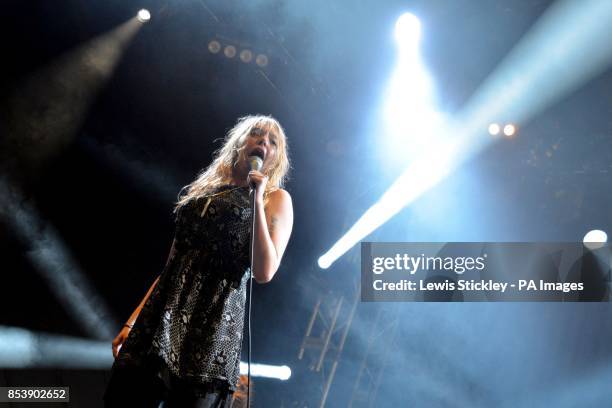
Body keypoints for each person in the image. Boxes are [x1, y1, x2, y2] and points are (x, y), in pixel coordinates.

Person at [103, 115, 293, 407]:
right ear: (240, 142)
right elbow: (172, 263)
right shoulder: (206, 188)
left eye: (272, 141)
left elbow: (264, 271)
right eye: (256, 134)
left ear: (276, 157)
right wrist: (133, 321)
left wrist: (256, 199)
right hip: (164, 314)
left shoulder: (275, 199)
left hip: (214, 322)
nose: (263, 142)